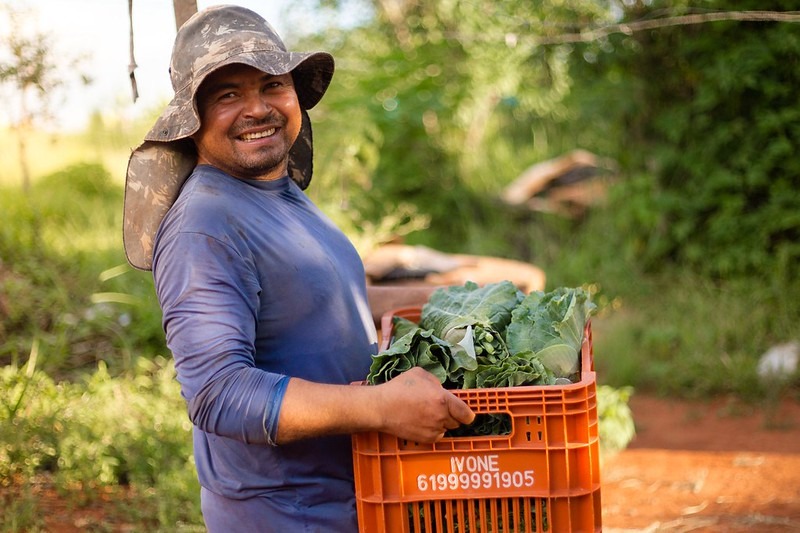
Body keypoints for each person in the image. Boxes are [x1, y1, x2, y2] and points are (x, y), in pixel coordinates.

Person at [122, 5, 474, 532]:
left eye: (272, 85)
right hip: (286, 514)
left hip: (347, 502)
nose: (257, 108)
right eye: (227, 95)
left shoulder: (278, 193)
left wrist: (453, 305)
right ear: (191, 118)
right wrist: (380, 407)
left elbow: (324, 304)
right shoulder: (205, 225)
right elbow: (219, 394)